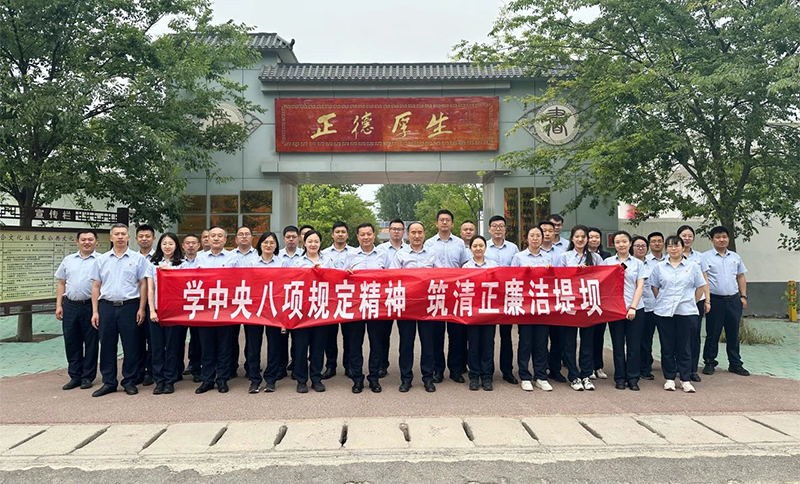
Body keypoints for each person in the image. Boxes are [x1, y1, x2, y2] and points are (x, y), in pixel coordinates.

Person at [89, 223, 149, 397]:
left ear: (129, 237)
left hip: (129, 306)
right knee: (107, 346)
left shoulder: (138, 259)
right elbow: (96, 286)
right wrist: (95, 311)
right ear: (111, 237)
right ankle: (109, 382)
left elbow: (143, 285)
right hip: (106, 307)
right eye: (117, 234)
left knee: (131, 346)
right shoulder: (101, 260)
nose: (120, 237)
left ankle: (129, 381)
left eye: (123, 234)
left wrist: (141, 308)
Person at [649, 235, 707, 393]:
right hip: (664, 312)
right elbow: (654, 287)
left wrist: (691, 302)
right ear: (666, 249)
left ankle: (685, 379)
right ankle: (669, 378)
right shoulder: (659, 267)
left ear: (683, 248)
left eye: (676, 245)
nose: (673, 249)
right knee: (667, 346)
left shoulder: (692, 266)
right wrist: (663, 300)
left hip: (686, 312)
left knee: (684, 347)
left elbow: (700, 287)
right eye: (670, 246)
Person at [344, 223, 393, 393]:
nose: (366, 237)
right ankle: (357, 379)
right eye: (362, 234)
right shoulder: (350, 255)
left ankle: (374, 378)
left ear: (374, 235)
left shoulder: (383, 255)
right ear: (357, 237)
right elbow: (341, 278)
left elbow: (392, 277)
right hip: (356, 306)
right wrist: (347, 273)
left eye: (369, 234)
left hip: (376, 306)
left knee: (376, 343)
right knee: (354, 344)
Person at [389, 221, 438, 392]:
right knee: (406, 344)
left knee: (428, 344)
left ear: (424, 234)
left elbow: (441, 276)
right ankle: (406, 378)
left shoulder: (432, 254)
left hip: (427, 306)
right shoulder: (400, 255)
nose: (417, 236)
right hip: (407, 306)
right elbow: (393, 277)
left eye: (420, 232)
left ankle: (428, 378)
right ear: (408, 235)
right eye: (413, 233)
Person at [555, 224, 603, 392]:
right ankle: (573, 375)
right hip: (570, 304)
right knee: (569, 342)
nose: (580, 239)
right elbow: (557, 278)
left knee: (587, 342)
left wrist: (588, 272)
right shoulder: (564, 257)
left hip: (588, 304)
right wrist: (574, 272)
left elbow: (602, 278)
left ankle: (586, 375)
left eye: (583, 237)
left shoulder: (596, 258)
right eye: (577, 236)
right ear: (572, 238)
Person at [424, 209, 469, 383]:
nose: (444, 222)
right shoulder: (429, 243)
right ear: (436, 223)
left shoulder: (459, 243)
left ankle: (455, 370)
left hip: (455, 294)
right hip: (436, 293)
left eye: (447, 220)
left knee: (456, 334)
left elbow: (465, 266)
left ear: (452, 223)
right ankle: (438, 369)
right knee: (436, 334)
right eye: (441, 220)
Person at [195, 226, 240, 394]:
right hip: (205, 308)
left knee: (224, 346)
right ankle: (207, 380)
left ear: (225, 239)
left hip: (225, 308)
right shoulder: (198, 258)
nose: (215, 238)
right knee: (206, 346)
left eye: (220, 236)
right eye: (212, 235)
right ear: (207, 239)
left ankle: (222, 379)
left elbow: (240, 280)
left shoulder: (233, 258)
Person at [55, 229, 101, 391]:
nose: (87, 242)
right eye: (83, 239)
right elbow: (61, 283)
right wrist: (59, 305)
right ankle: (75, 376)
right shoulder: (68, 260)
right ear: (77, 241)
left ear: (96, 241)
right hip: (70, 305)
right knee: (71, 341)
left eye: (90, 239)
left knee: (91, 342)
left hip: (91, 306)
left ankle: (87, 376)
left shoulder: (102, 260)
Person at [702, 226, 750, 377]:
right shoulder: (705, 257)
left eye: (724, 237)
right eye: (718, 237)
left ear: (728, 238)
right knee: (713, 333)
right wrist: (707, 300)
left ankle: (735, 364)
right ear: (712, 240)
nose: (721, 240)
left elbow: (741, 276)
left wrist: (743, 296)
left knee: (733, 333)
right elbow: (703, 279)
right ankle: (710, 362)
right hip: (715, 300)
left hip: (733, 300)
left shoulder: (735, 257)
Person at [511, 226, 554, 392]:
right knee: (525, 342)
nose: (535, 238)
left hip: (543, 305)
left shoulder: (549, 257)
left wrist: (551, 272)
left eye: (538, 235)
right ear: (526, 238)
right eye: (532, 235)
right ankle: (524, 375)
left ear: (542, 239)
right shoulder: (519, 257)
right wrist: (523, 273)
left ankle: (541, 376)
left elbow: (556, 280)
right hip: (526, 306)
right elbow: (511, 279)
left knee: (542, 342)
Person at [244, 232, 287, 393]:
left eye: (272, 243)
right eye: (265, 242)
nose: (268, 245)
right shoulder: (251, 262)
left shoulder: (282, 263)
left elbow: (286, 286)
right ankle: (254, 379)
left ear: (276, 245)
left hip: (274, 309)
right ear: (260, 244)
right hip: (255, 309)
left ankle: (271, 379)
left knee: (274, 346)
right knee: (253, 346)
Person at [604, 231, 647, 391]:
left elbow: (640, 286)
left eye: (624, 241)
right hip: (615, 310)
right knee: (618, 345)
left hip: (635, 309)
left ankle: (633, 378)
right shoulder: (607, 262)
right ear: (614, 244)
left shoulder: (638, 264)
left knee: (634, 346)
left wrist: (633, 307)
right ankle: (620, 378)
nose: (621, 244)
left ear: (630, 243)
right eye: (617, 242)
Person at [292, 230, 334, 393]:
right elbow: (291, 282)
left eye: (316, 241)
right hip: (301, 311)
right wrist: (309, 273)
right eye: (310, 241)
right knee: (300, 347)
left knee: (318, 346)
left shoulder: (328, 261)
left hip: (321, 310)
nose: (313, 244)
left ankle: (316, 378)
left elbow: (335, 281)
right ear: (304, 243)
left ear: (320, 243)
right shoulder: (297, 262)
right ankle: (301, 380)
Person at [146, 232, 184, 395]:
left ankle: (170, 380)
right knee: (156, 347)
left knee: (172, 347)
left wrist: (171, 272)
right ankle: (159, 380)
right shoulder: (153, 263)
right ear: (160, 246)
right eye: (164, 244)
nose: (167, 247)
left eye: (170, 243)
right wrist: (151, 310)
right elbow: (150, 288)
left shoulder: (182, 264)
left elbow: (184, 286)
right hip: (157, 310)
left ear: (176, 246)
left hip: (174, 312)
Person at [484, 215, 520, 385]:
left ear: (505, 229)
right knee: (488, 336)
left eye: (501, 226)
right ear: (489, 229)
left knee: (506, 336)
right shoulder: (484, 247)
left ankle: (507, 370)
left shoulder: (513, 248)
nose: (498, 229)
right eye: (494, 226)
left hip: (507, 296)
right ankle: (487, 372)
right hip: (488, 297)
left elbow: (517, 272)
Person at [321, 221, 357, 379]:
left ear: (347, 235)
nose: (340, 234)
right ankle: (331, 366)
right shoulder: (324, 254)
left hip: (349, 299)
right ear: (332, 235)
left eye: (343, 232)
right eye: (337, 232)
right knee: (330, 335)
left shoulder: (355, 253)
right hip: (330, 299)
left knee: (349, 335)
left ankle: (349, 366)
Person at [463, 235, 499, 391]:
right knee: (473, 345)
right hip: (473, 312)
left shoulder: (493, 265)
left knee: (488, 345)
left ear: (485, 247)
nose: (478, 248)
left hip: (489, 311)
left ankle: (487, 376)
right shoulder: (466, 267)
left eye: (481, 245)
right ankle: (474, 376)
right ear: (470, 248)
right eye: (475, 246)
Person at [677, 225, 711, 382]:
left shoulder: (699, 256)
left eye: (690, 236)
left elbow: (704, 279)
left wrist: (707, 300)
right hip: (678, 302)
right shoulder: (672, 254)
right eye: (684, 235)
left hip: (696, 301)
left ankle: (692, 369)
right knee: (678, 335)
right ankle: (678, 367)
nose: (687, 238)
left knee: (694, 335)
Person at [375, 219, 408, 377]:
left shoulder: (409, 250)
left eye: (399, 229)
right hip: (385, 297)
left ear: (403, 232)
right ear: (389, 231)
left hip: (405, 297)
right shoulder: (380, 250)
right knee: (383, 333)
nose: (396, 231)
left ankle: (405, 369)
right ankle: (382, 364)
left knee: (406, 335)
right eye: (394, 229)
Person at [538, 220, 567, 383]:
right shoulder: (532, 252)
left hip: (558, 298)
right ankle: (541, 369)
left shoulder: (563, 251)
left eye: (550, 230)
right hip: (540, 299)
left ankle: (555, 369)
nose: (547, 233)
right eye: (544, 231)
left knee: (558, 337)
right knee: (541, 338)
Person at [229, 226, 258, 380]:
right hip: (232, 301)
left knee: (252, 337)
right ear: (236, 239)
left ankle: (251, 368)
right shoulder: (229, 256)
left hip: (253, 300)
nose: (244, 237)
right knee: (231, 337)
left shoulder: (259, 255)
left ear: (252, 238)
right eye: (241, 234)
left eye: (247, 234)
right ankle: (231, 367)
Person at [176, 234, 202, 382]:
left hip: (199, 304)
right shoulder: (177, 262)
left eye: (193, 243)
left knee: (197, 338)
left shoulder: (204, 261)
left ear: (198, 245)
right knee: (178, 338)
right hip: (180, 305)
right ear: (183, 246)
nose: (191, 246)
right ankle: (177, 369)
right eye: (187, 243)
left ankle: (196, 368)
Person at [277, 225, 302, 379]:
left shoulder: (304, 255)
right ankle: (281, 367)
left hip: (300, 301)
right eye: (288, 237)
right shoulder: (277, 256)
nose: (291, 239)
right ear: (284, 238)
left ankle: (296, 366)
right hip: (281, 301)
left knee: (298, 337)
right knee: (281, 337)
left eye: (294, 237)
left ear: (298, 238)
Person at [639, 232, 664, 379]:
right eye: (653, 241)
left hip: (664, 307)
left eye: (659, 241)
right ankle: (645, 367)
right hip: (648, 306)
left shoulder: (670, 260)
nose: (657, 243)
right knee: (646, 339)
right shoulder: (644, 261)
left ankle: (669, 366)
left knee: (667, 339)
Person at [588, 227, 612, 380]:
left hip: (600, 301)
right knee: (587, 336)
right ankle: (588, 366)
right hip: (584, 301)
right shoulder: (581, 256)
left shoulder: (606, 256)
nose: (594, 239)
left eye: (597, 237)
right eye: (591, 237)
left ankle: (598, 366)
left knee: (599, 335)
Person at [134, 224, 156, 387]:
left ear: (153, 238)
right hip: (134, 303)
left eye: (147, 236)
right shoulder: (132, 258)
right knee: (136, 338)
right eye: (141, 236)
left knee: (152, 339)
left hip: (153, 304)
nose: (144, 239)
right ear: (136, 239)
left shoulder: (159, 258)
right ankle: (138, 371)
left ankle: (151, 371)